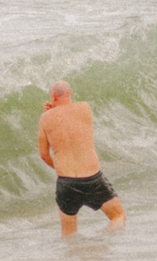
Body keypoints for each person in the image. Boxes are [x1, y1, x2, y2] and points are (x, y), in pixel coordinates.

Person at [36, 81, 124, 235]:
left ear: (53, 97)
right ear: (70, 94)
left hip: (66, 183)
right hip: (93, 179)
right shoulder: (84, 107)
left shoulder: (45, 119)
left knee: (68, 234)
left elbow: (44, 155)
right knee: (118, 216)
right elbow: (69, 116)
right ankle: (101, 240)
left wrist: (63, 169)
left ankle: (73, 258)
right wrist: (56, 108)